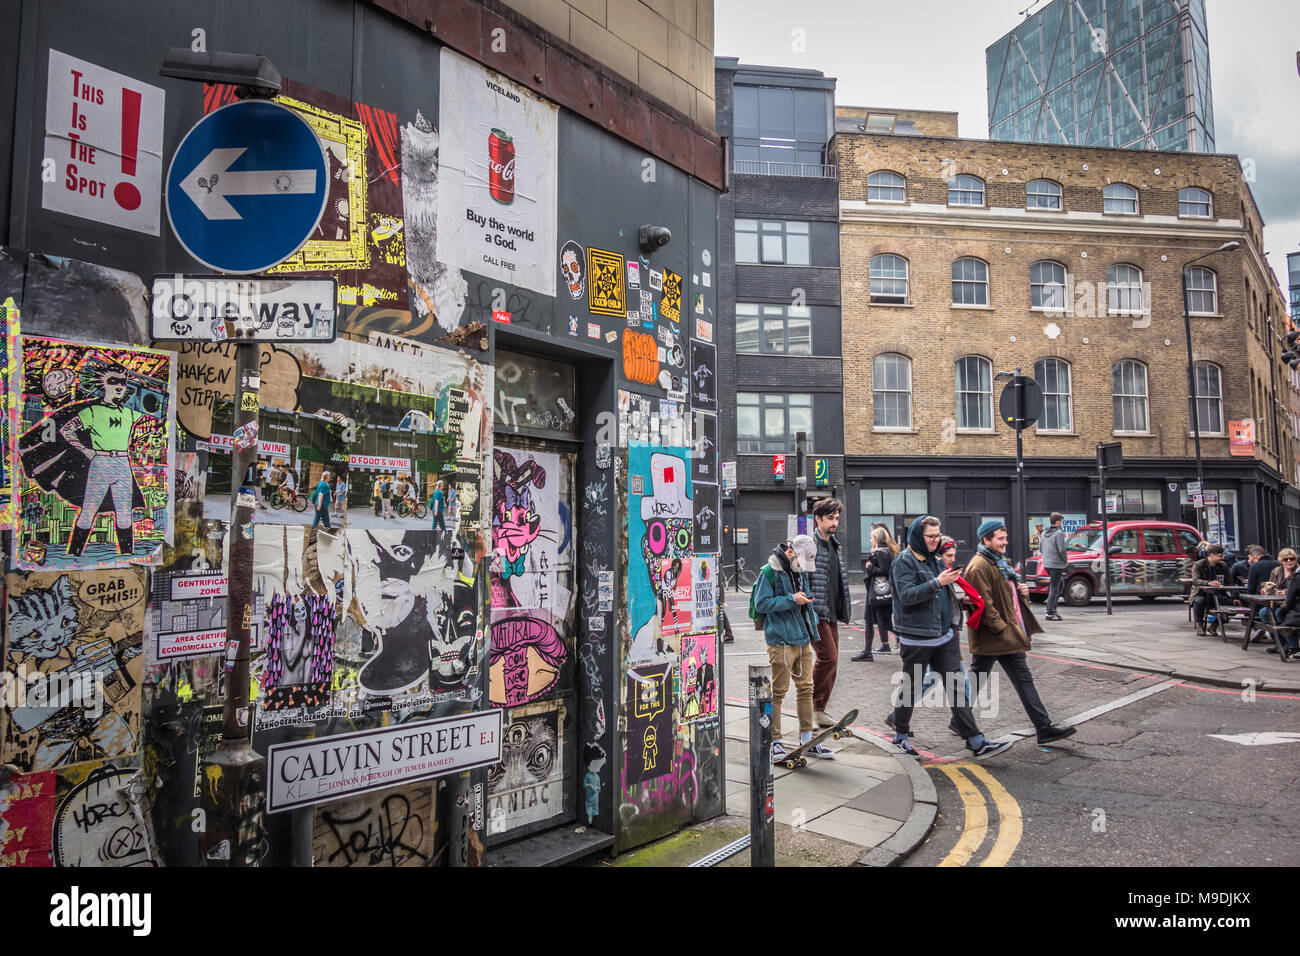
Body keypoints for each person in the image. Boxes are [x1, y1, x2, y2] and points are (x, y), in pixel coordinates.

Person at [888, 515, 1013, 760]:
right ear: (917, 536)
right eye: (931, 536)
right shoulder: (905, 561)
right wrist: (938, 582)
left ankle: (975, 740)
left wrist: (958, 599)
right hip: (918, 637)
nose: (936, 540)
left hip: (944, 635)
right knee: (911, 688)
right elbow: (906, 596)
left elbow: (939, 595)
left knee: (957, 688)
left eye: (937, 535)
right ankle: (900, 736)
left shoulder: (935, 558)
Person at [964, 519, 1077, 746]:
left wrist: (1020, 590)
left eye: (1005, 537)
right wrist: (1004, 630)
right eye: (1000, 538)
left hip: (1006, 635)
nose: (1005, 542)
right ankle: (960, 721)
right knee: (978, 680)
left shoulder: (997, 563)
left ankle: (1043, 728)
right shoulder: (979, 566)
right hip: (994, 636)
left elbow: (1005, 596)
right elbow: (984, 605)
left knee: (1023, 681)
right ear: (985, 539)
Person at [752, 536, 830, 763]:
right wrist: (791, 599)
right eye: (801, 562)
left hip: (803, 638)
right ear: (790, 553)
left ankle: (807, 739)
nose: (803, 569)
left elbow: (804, 599)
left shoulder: (800, 570)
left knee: (806, 688)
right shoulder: (769, 571)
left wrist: (810, 613)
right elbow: (762, 604)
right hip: (781, 641)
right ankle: (775, 741)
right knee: (778, 692)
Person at [809, 498, 851, 728]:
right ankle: (809, 706)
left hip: (832, 612)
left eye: (836, 518)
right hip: (816, 612)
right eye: (830, 518)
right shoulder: (810, 544)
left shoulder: (835, 545)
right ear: (818, 519)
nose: (834, 522)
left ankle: (819, 710)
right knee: (828, 657)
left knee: (833, 662)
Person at [855, 526, 899, 661]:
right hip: (877, 593)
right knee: (870, 621)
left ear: (876, 538)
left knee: (885, 623)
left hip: (878, 593)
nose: (870, 539)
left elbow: (884, 571)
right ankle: (867, 651)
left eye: (872, 537)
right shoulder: (886, 551)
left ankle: (907, 639)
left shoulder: (881, 552)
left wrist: (870, 567)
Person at [1189, 543, 1230, 636]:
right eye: (1220, 556)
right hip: (1201, 593)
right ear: (1212, 555)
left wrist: (1235, 596)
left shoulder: (1222, 565)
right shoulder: (1198, 564)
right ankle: (1200, 624)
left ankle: (1214, 625)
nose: (1222, 557)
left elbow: (1230, 580)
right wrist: (1208, 583)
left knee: (1233, 604)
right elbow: (1195, 580)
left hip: (1218, 593)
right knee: (1199, 602)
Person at [1269, 549, 1300, 659]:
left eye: (1292, 559)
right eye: (1285, 559)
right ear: (1281, 561)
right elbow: (1270, 585)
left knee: (1279, 614)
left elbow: (1293, 593)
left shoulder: (1297, 573)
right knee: (1265, 613)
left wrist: (1287, 591)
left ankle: (1293, 646)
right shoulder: (1277, 571)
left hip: (1291, 604)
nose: (1289, 561)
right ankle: (1280, 644)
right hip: (1276, 601)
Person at [1039, 512, 1069, 622]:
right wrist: (1065, 560)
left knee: (1060, 584)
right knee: (1055, 586)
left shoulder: (1044, 533)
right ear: (1057, 522)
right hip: (1057, 564)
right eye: (1061, 521)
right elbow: (1061, 550)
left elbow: (1041, 549)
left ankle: (1053, 608)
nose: (1061, 523)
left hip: (1047, 563)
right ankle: (1050, 612)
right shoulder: (1059, 533)